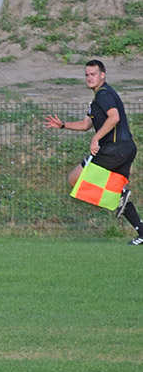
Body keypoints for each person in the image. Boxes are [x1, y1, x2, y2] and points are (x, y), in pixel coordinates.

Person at [45, 59, 143, 245]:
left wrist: (96, 138)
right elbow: (85, 124)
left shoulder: (104, 95)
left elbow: (114, 118)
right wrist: (63, 125)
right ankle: (142, 231)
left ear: (102, 75)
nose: (89, 78)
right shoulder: (98, 98)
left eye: (93, 74)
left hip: (115, 149)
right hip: (125, 149)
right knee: (116, 193)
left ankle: (119, 194)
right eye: (87, 75)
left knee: (74, 178)